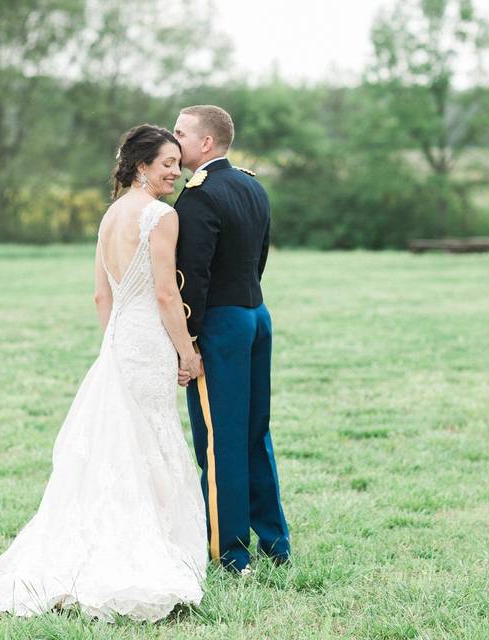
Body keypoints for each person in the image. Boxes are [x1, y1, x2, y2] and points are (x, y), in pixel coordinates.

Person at [0, 124, 207, 621]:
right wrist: (185, 352)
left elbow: (101, 295)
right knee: (150, 438)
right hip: (148, 339)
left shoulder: (110, 217)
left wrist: (113, 343)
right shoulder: (160, 216)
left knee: (117, 442)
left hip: (119, 340)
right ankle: (149, 546)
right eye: (166, 163)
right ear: (141, 167)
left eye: (177, 162)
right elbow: (167, 295)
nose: (175, 171)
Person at [173, 105, 291, 575]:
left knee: (220, 438)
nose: (173, 140)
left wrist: (189, 339)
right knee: (253, 431)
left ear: (205, 143)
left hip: (220, 325)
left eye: (180, 133)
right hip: (255, 314)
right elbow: (259, 258)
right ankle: (274, 542)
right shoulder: (250, 184)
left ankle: (230, 552)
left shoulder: (198, 196)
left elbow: (192, 278)